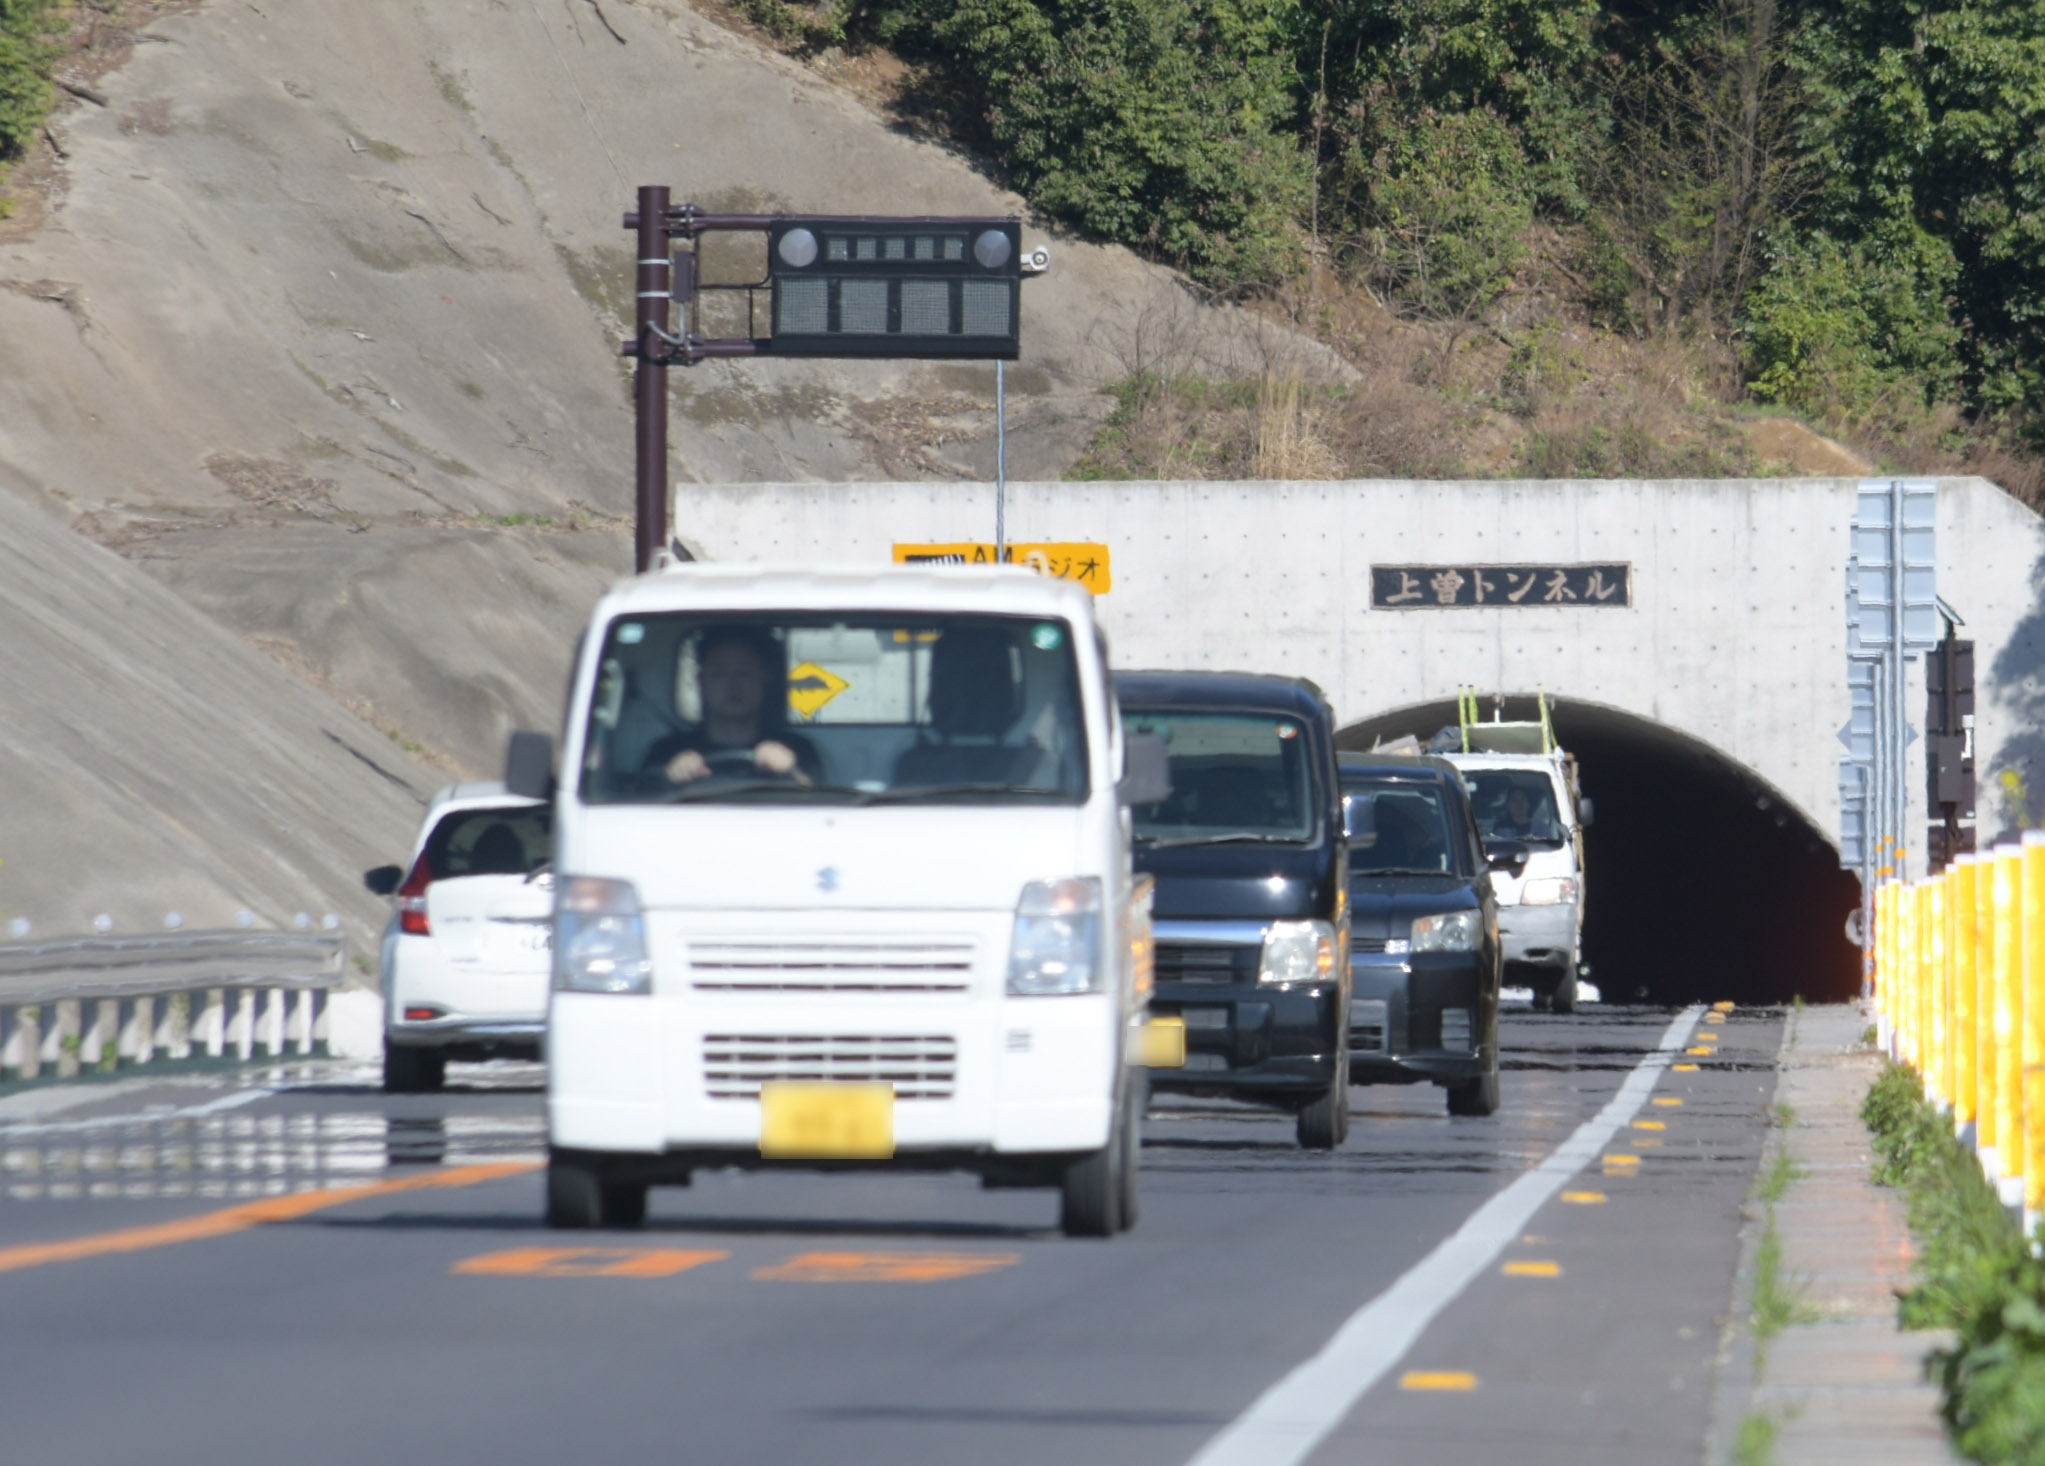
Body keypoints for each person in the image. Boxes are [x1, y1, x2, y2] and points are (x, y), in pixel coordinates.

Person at [651, 626, 820, 786]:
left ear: (764, 678)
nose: (732, 686)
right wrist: (670, 778)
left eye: (743, 673)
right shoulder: (667, 752)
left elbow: (818, 800)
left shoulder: (797, 749)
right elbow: (642, 797)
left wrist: (790, 772)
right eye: (719, 674)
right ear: (701, 682)